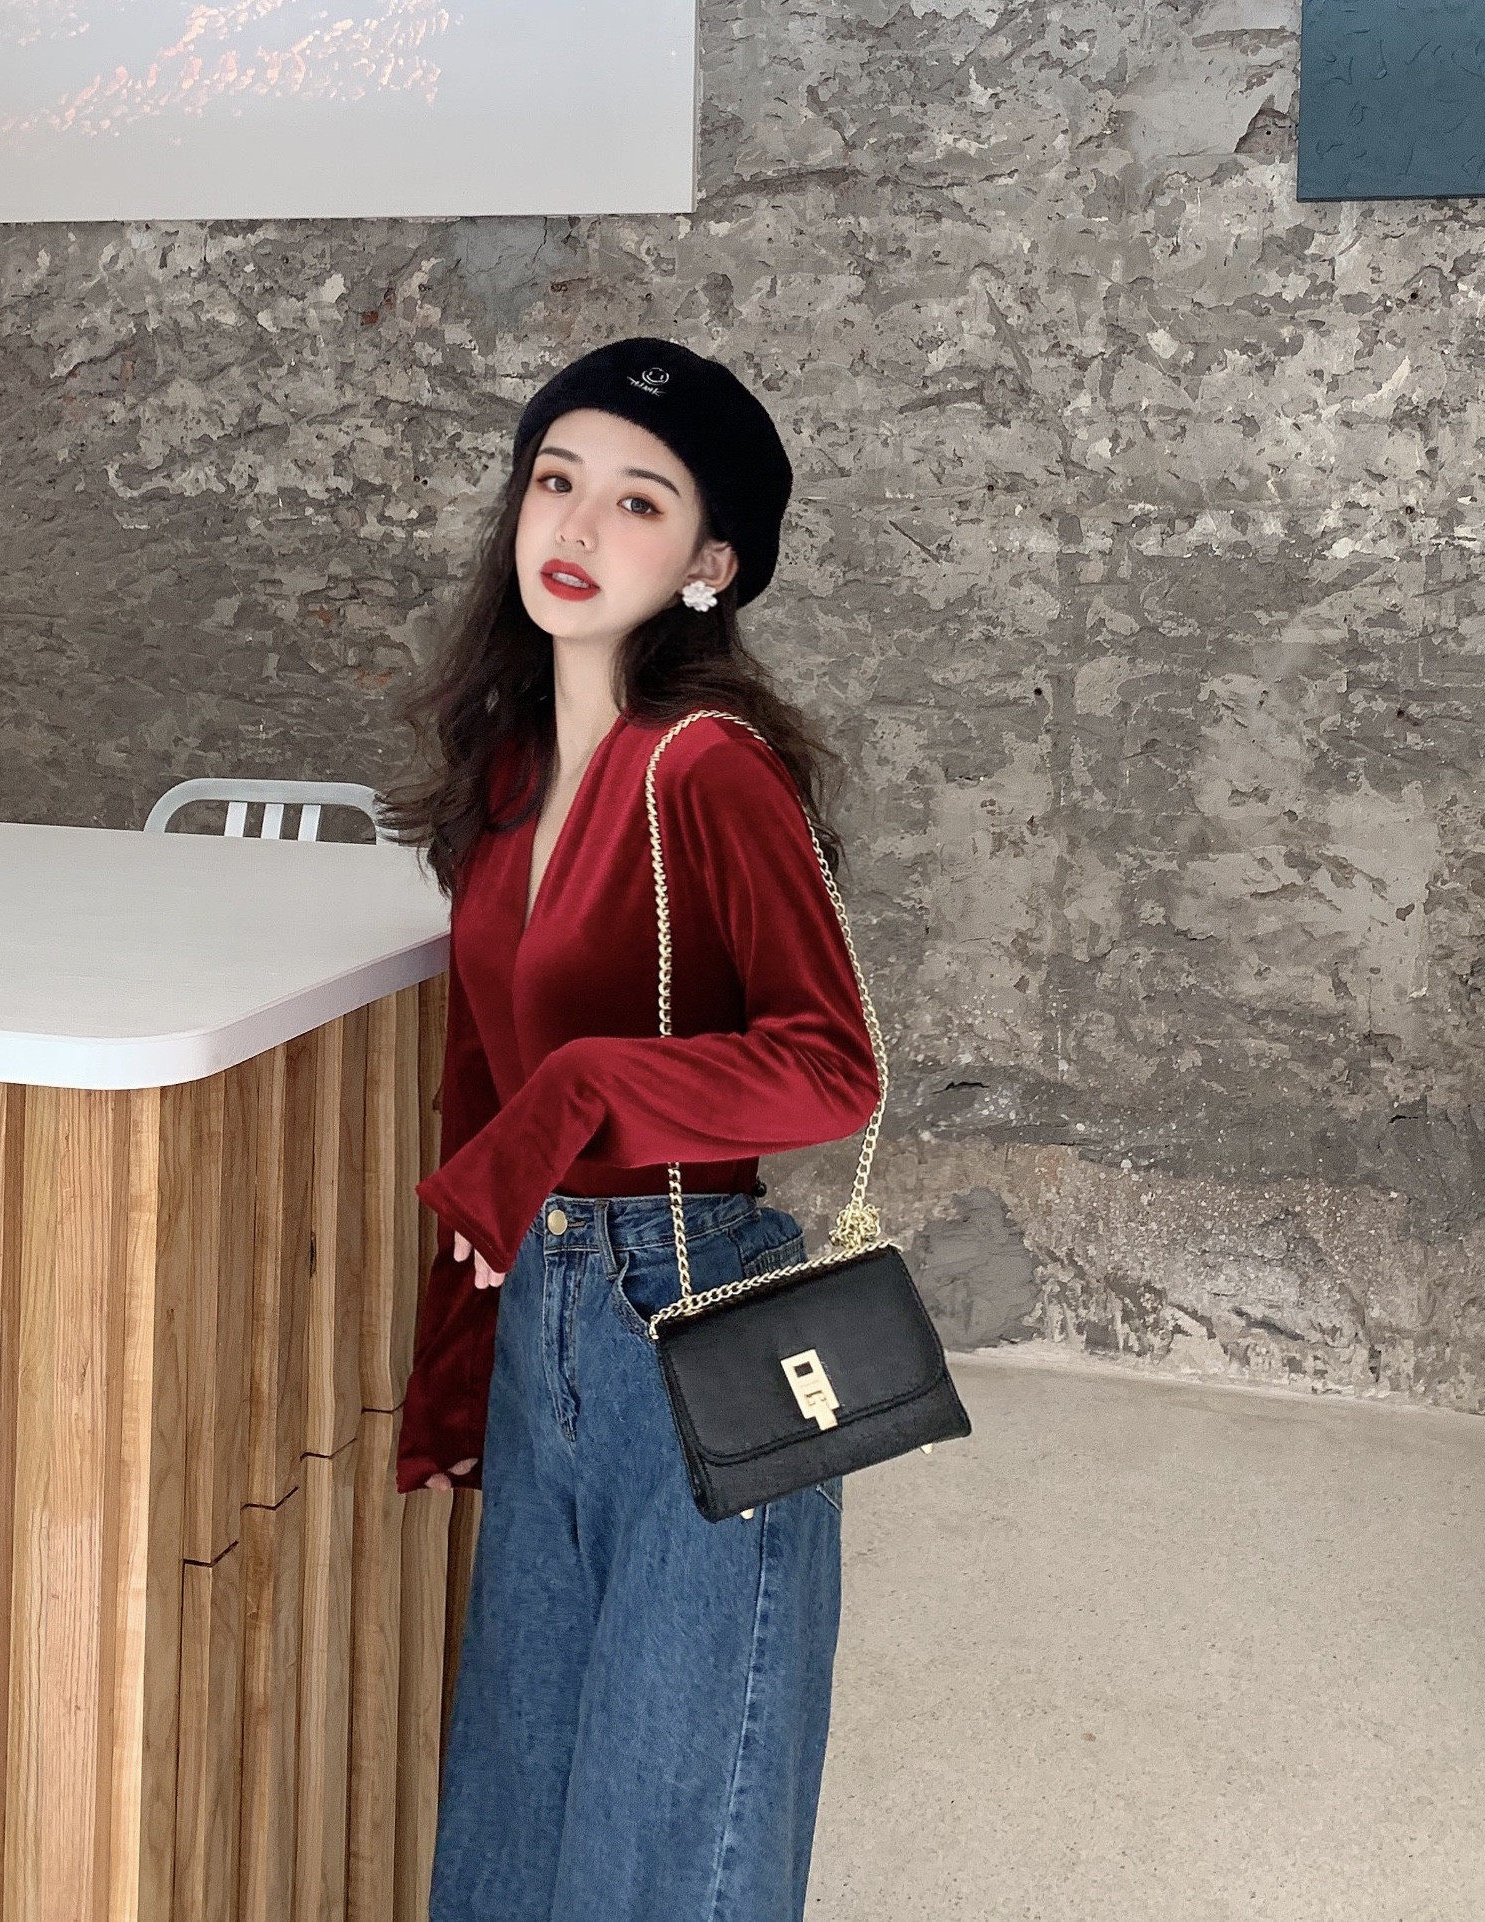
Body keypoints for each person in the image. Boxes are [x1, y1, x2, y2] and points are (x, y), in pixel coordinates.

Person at [377, 335, 883, 1922]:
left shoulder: (708, 770)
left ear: (710, 564)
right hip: (550, 1318)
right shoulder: (515, 776)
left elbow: (831, 1065)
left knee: (672, 1829)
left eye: (639, 501)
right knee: (514, 1813)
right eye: (555, 479)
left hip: (695, 1295)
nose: (577, 525)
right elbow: (482, 1072)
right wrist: (457, 1365)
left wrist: (586, 1091)